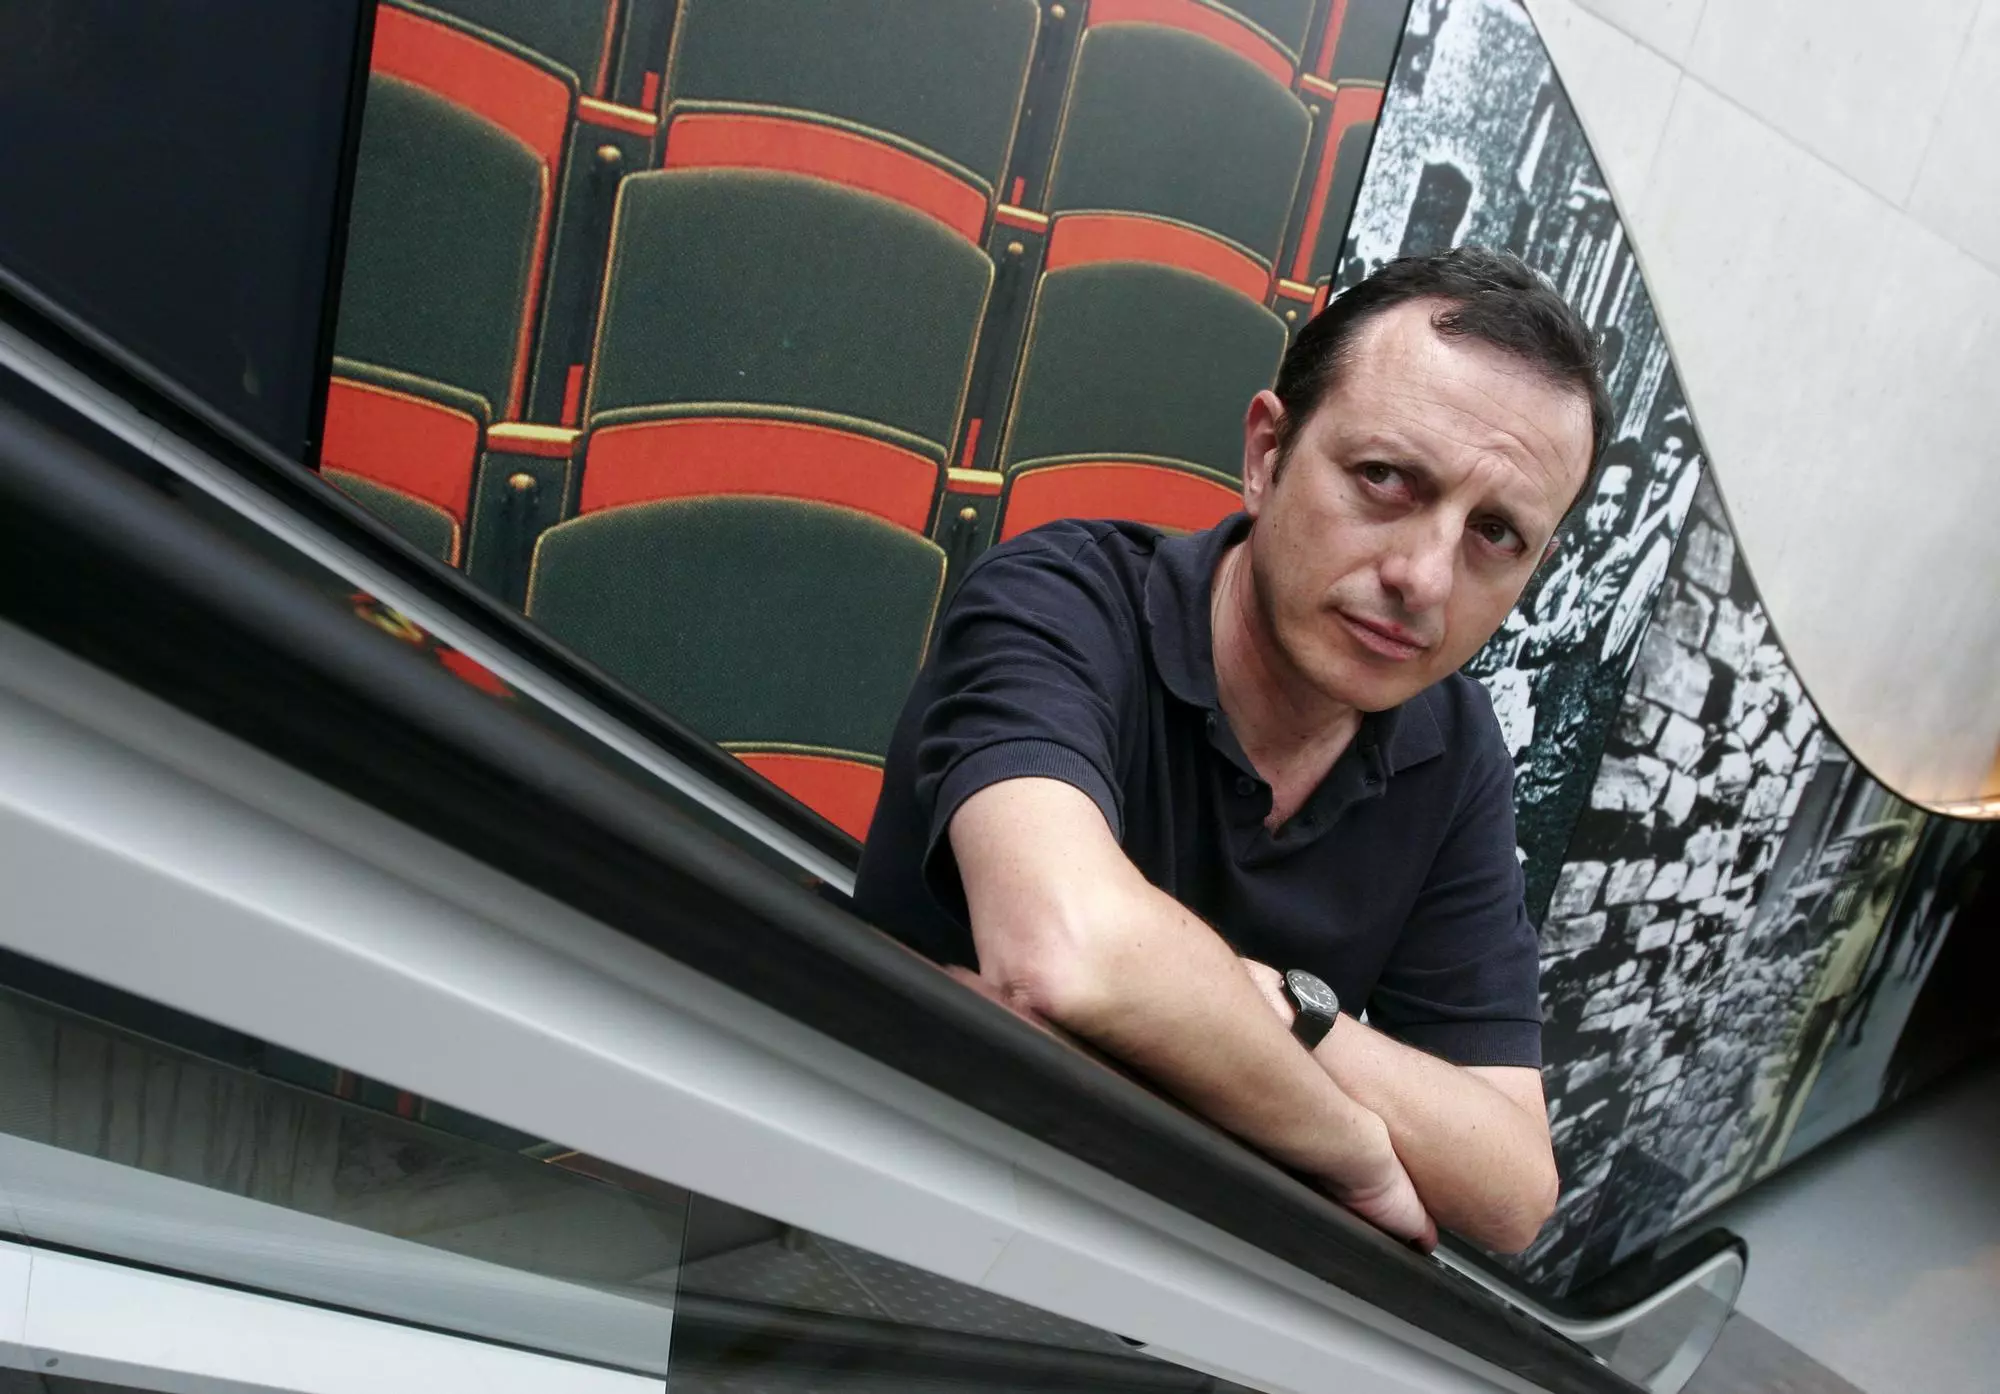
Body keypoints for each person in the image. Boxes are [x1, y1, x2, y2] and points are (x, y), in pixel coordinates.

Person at [854, 247, 1609, 1254]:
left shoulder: (1454, 745)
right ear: (1265, 454)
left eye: (1496, 534)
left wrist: (1285, 1013)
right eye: (1385, 479)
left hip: (1164, 1287)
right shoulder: (1062, 600)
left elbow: (1510, 1187)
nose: (1424, 579)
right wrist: (1354, 1148)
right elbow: (1070, 950)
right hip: (873, 1204)